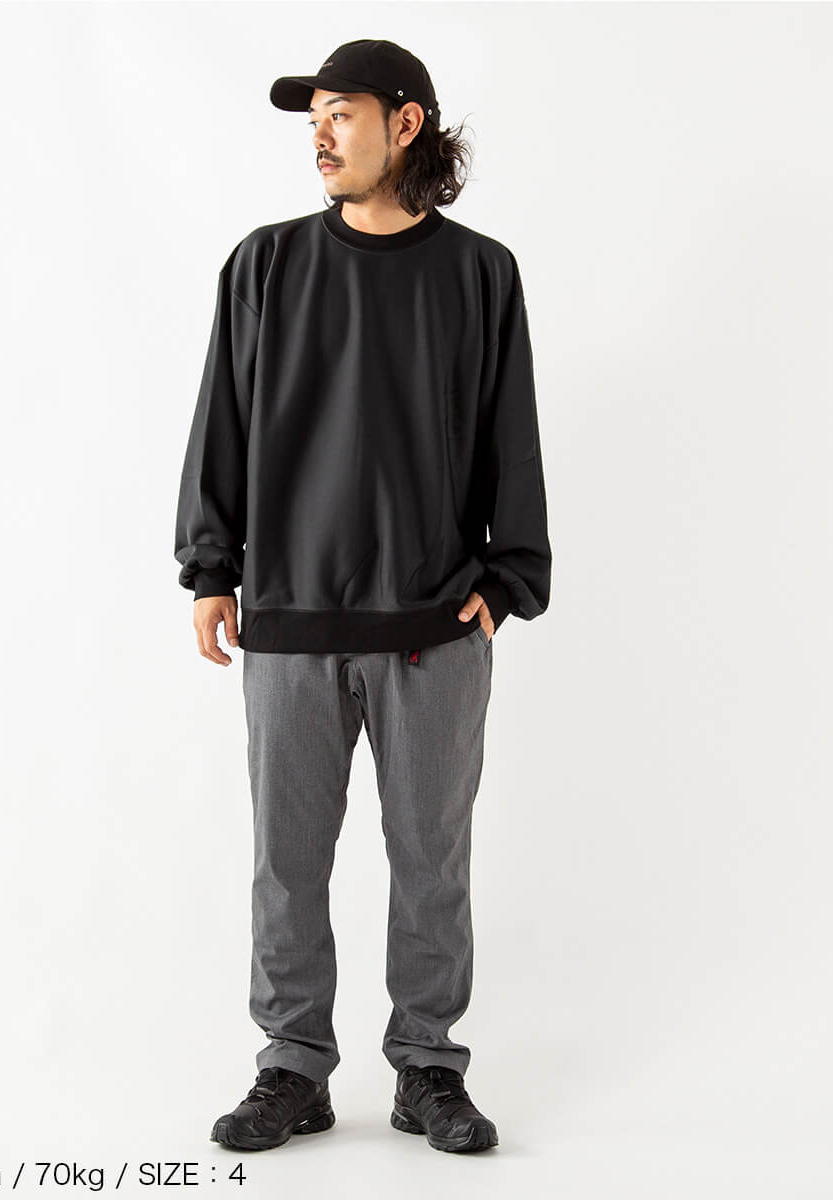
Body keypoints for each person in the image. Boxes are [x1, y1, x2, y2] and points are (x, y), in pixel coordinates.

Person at [173, 39, 551, 1154]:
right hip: (290, 620)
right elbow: (221, 419)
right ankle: (292, 1064)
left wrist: (509, 578)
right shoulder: (266, 264)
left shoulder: (479, 273)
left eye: (342, 114)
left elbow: (512, 433)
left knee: (432, 861)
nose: (323, 137)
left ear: (408, 123)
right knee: (286, 863)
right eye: (314, 121)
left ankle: (427, 1065)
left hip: (435, 626)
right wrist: (210, 566)